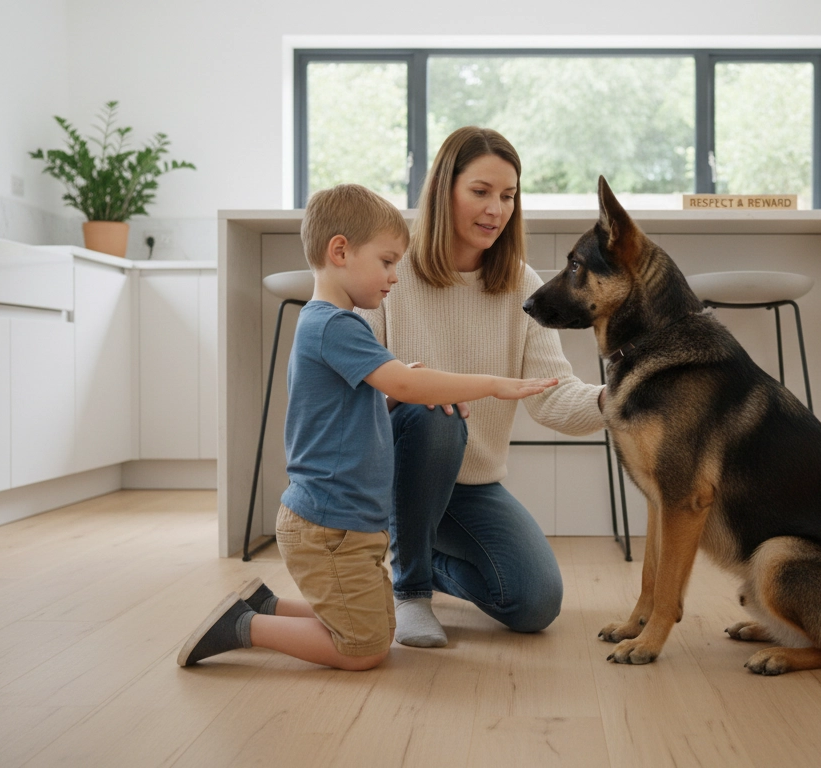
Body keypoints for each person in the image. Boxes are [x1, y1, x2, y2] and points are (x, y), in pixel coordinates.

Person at [176, 183, 556, 670]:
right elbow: (399, 380)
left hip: (346, 524)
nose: (395, 277)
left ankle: (266, 606)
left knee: (378, 626)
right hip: (328, 526)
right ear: (340, 251)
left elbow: (366, 397)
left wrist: (398, 389)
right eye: (387, 262)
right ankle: (246, 627)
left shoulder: (336, 325)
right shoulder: (334, 325)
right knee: (365, 649)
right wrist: (491, 385)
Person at [358, 126, 606, 648]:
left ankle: (423, 557)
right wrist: (403, 393)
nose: (497, 209)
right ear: (444, 189)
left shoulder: (520, 283)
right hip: (396, 472)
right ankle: (410, 589)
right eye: (481, 191)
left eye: (508, 196)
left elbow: (551, 394)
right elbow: (352, 397)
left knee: (536, 602)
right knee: (433, 409)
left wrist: (619, 398)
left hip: (471, 487)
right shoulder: (389, 273)